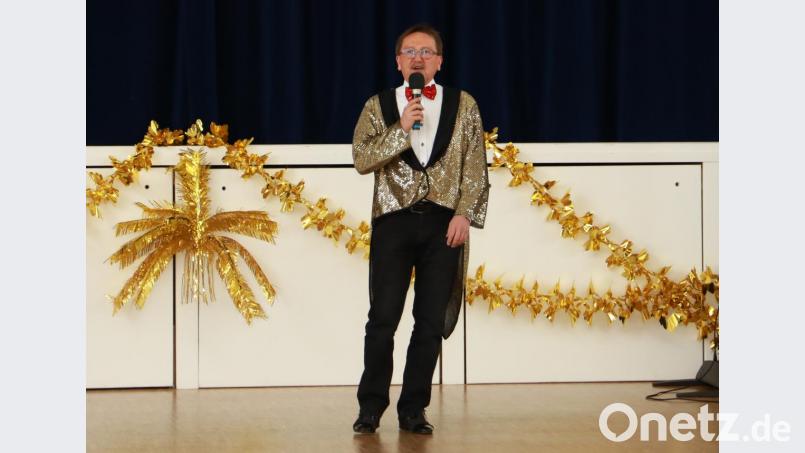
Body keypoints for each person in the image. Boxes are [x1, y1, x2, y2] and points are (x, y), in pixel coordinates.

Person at [351, 24, 490, 435]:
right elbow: (362, 158)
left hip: (443, 225)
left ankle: (414, 409)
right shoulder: (378, 106)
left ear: (439, 61)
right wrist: (400, 129)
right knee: (383, 320)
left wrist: (465, 214)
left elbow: (475, 167)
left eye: (426, 51)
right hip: (393, 223)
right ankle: (371, 407)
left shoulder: (463, 105)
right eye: (409, 51)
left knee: (429, 323)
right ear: (398, 62)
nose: (418, 57)